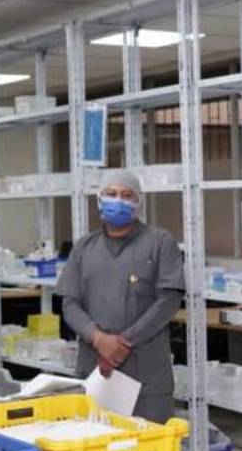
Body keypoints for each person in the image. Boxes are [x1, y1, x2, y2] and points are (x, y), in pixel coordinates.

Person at [57, 169, 185, 423]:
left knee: (150, 443)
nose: (119, 200)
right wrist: (99, 339)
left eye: (127, 195)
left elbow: (168, 301)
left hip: (146, 375)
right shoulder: (84, 247)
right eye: (111, 194)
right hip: (94, 370)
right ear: (99, 200)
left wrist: (122, 343)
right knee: (94, 440)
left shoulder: (160, 242)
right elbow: (70, 303)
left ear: (139, 203)